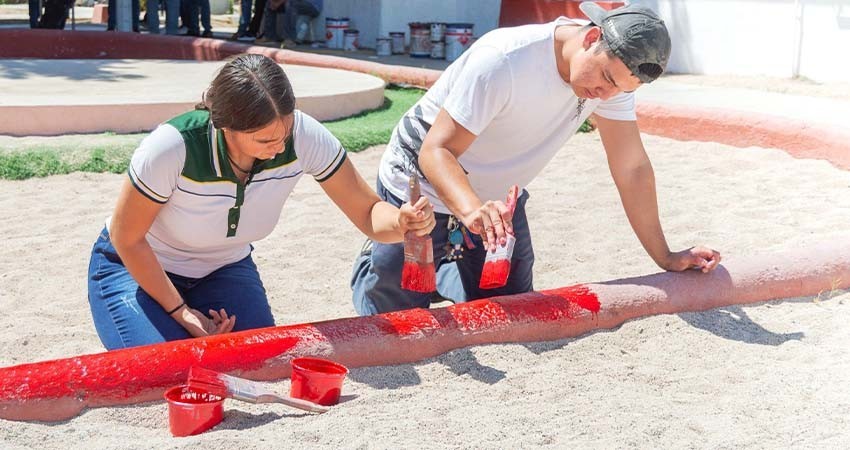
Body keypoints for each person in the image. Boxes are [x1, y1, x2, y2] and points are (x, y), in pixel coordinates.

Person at [351, 2, 722, 316]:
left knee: (509, 307)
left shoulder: (612, 79)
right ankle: (378, 262)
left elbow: (632, 168)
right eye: (607, 79)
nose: (606, 95)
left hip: (495, 200)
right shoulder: (504, 60)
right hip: (420, 185)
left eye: (620, 89)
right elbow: (436, 151)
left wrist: (666, 256)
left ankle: (449, 265)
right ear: (592, 38)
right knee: (396, 315)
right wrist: (469, 210)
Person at [87, 54, 436, 350]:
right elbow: (126, 236)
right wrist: (182, 313)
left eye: (284, 132)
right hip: (134, 267)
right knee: (170, 367)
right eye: (265, 139)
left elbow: (368, 211)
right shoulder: (171, 147)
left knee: (261, 358)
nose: (281, 147)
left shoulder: (301, 134)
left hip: (222, 268)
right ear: (225, 126)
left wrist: (402, 223)